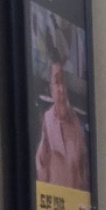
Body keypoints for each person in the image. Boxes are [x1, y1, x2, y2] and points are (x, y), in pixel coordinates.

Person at [35, 59, 88, 190]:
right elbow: (41, 167)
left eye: (63, 82)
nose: (61, 89)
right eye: (57, 82)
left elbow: (83, 171)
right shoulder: (47, 120)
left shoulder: (76, 122)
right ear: (51, 89)